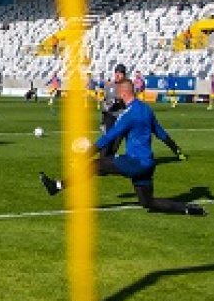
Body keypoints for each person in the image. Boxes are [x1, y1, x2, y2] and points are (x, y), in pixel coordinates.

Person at [40, 77, 205, 216]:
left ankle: (57, 186)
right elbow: (161, 134)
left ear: (123, 93)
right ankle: (187, 209)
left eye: (117, 93)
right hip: (148, 163)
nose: (116, 96)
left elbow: (108, 137)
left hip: (135, 162)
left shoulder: (128, 115)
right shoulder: (146, 109)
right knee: (148, 202)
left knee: (95, 165)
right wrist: (177, 150)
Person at [100, 63, 127, 158]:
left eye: (120, 73)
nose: (118, 75)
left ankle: (107, 162)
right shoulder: (109, 86)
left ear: (124, 75)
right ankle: (101, 163)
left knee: (115, 145)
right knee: (107, 142)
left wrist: (119, 101)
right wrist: (103, 122)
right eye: (116, 72)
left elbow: (130, 103)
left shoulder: (128, 87)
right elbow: (104, 103)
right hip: (110, 117)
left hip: (121, 119)